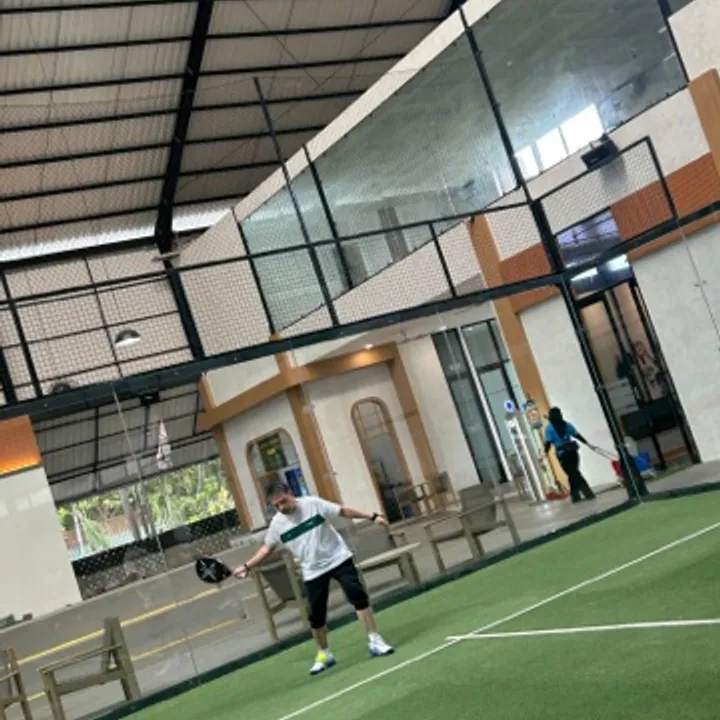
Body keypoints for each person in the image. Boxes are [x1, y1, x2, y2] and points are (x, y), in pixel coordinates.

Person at [233, 482, 394, 676]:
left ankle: (374, 640)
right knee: (316, 616)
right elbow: (267, 548)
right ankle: (324, 654)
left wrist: (373, 517)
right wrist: (246, 566)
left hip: (338, 558)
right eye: (276, 505)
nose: (282, 507)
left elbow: (342, 511)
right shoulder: (277, 524)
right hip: (312, 571)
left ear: (291, 494)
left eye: (283, 501)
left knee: (357, 594)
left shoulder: (312, 504)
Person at [543, 407, 596, 503]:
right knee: (573, 473)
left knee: (573, 474)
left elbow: (548, 443)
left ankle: (588, 493)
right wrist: (588, 444)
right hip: (573, 452)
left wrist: (544, 453)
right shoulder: (567, 425)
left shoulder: (549, 428)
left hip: (562, 454)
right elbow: (577, 435)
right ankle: (575, 497)